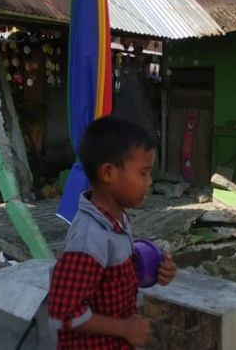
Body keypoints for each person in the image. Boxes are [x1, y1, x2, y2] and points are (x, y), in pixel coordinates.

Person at [48, 116, 177, 349]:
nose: (149, 182)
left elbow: (113, 278)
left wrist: (156, 269)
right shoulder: (90, 238)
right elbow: (63, 312)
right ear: (108, 173)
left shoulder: (118, 220)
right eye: (143, 173)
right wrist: (125, 328)